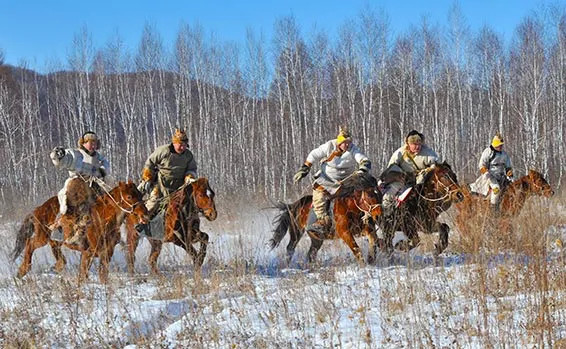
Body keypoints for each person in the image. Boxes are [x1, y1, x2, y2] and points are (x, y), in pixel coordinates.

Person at [293, 126, 371, 232]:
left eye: (349, 142)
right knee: (319, 195)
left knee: (365, 191)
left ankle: (368, 216)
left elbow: (361, 158)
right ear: (339, 142)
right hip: (327, 179)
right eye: (345, 142)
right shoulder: (329, 146)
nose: (347, 145)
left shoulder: (353, 149)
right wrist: (305, 168)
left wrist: (364, 166)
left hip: (347, 180)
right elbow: (314, 154)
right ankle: (322, 220)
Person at [49, 131, 110, 246]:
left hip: (94, 184)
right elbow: (67, 159)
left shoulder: (99, 157)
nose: (92, 145)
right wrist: (59, 155)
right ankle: (60, 225)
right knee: (67, 201)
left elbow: (105, 166)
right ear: (83, 143)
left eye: (94, 143)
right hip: (76, 184)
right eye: (89, 142)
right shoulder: (77, 154)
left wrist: (101, 171)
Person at [135, 128, 197, 236]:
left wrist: (190, 177)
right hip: (161, 183)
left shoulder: (188, 156)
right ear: (174, 143)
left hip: (179, 186)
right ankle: (142, 223)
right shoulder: (163, 151)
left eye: (184, 145)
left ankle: (190, 226)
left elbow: (192, 169)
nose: (182, 147)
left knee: (191, 203)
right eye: (180, 144)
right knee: (154, 201)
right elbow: (149, 163)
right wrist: (148, 175)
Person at [379, 130, 440, 215]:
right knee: (390, 193)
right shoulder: (400, 152)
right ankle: (386, 214)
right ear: (408, 144)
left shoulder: (428, 153)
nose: (417, 147)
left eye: (419, 144)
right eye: (414, 144)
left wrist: (427, 171)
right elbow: (391, 167)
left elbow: (437, 166)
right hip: (403, 180)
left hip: (422, 181)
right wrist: (398, 176)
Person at [470, 132, 513, 213]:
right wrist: (485, 172)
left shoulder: (504, 154)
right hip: (490, 176)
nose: (501, 146)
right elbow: (482, 165)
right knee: (496, 189)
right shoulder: (488, 152)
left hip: (501, 176)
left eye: (501, 145)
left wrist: (510, 175)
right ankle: (494, 209)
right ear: (495, 144)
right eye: (499, 145)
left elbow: (508, 167)